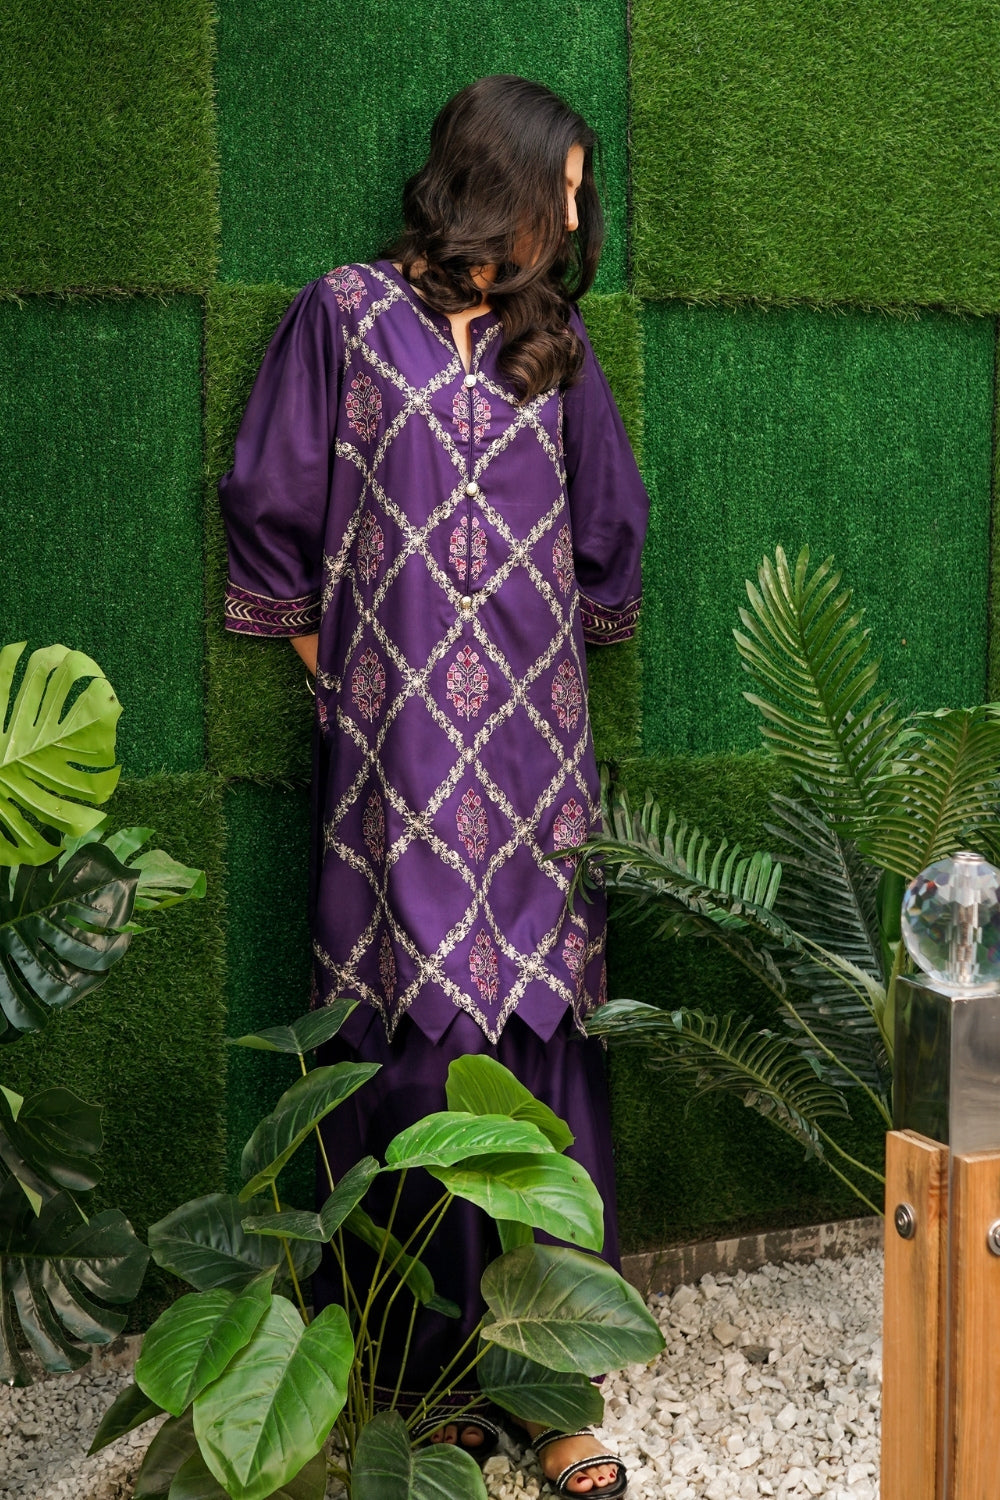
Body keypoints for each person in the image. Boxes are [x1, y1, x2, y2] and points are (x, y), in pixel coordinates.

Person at [219, 74, 649, 1498]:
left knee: (536, 1037)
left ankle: (553, 1394)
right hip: (394, 766)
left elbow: (606, 534)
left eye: (580, 199)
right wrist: (350, 683)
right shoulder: (344, 318)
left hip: (535, 764)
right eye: (562, 191)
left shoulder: (555, 345)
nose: (576, 220)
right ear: (496, 178)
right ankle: (422, 1389)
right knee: (413, 1042)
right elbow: (273, 514)